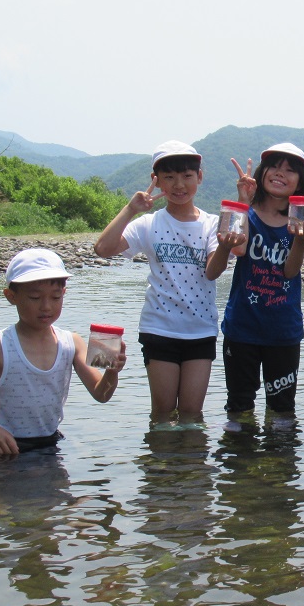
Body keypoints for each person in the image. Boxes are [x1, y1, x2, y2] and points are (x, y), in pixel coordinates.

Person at [93, 140, 219, 421]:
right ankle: (160, 465)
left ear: (199, 177)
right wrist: (130, 209)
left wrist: (226, 242)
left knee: (191, 413)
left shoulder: (212, 223)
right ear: (156, 180)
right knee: (162, 413)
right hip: (159, 328)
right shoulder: (149, 224)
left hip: (201, 329)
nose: (178, 185)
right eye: (169, 177)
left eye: (187, 176)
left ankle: (190, 465)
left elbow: (213, 271)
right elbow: (102, 248)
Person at [0, 249, 127, 456]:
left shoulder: (71, 343)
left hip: (49, 444)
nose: (46, 307)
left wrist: (112, 371)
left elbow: (101, 394)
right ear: (11, 297)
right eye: (35, 298)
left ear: (64, 294)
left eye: (55, 297)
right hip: (4, 445)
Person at [206, 143, 304, 415]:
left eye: (290, 171)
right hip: (242, 328)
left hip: (283, 330)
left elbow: (290, 272)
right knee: (239, 406)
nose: (281, 174)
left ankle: (277, 458)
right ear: (262, 172)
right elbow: (238, 248)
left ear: (299, 182)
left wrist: (301, 240)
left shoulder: (302, 221)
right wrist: (243, 201)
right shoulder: (248, 214)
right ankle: (239, 456)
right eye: (275, 167)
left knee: (281, 409)